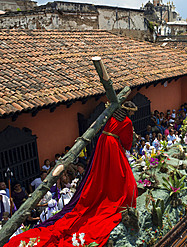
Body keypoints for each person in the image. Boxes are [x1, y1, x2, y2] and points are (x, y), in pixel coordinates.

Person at [6, 101, 138, 246]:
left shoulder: (111, 116)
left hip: (102, 143)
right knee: (120, 175)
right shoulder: (127, 122)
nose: (132, 114)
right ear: (129, 111)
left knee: (100, 172)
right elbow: (127, 143)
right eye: (132, 112)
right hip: (113, 146)